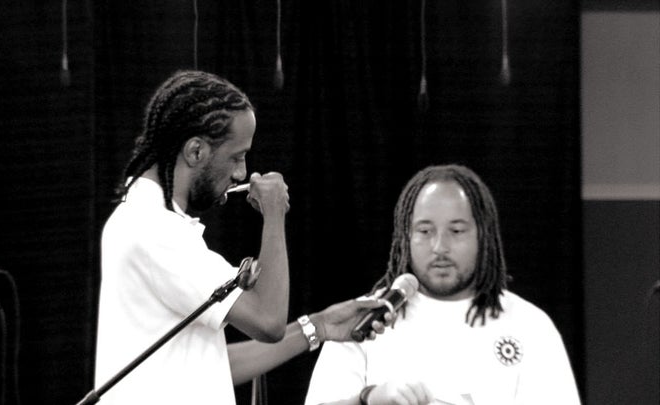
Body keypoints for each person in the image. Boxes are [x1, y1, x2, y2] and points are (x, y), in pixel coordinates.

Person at [93, 69, 387, 405]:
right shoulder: (154, 230)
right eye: (236, 156)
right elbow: (268, 321)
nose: (241, 173)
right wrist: (274, 215)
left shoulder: (148, 221)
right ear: (196, 151)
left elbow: (214, 367)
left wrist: (318, 326)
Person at [304, 164, 581, 405]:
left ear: (482, 235)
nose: (440, 247)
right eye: (425, 231)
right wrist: (371, 398)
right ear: (405, 236)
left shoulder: (530, 326)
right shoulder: (366, 320)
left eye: (457, 231)